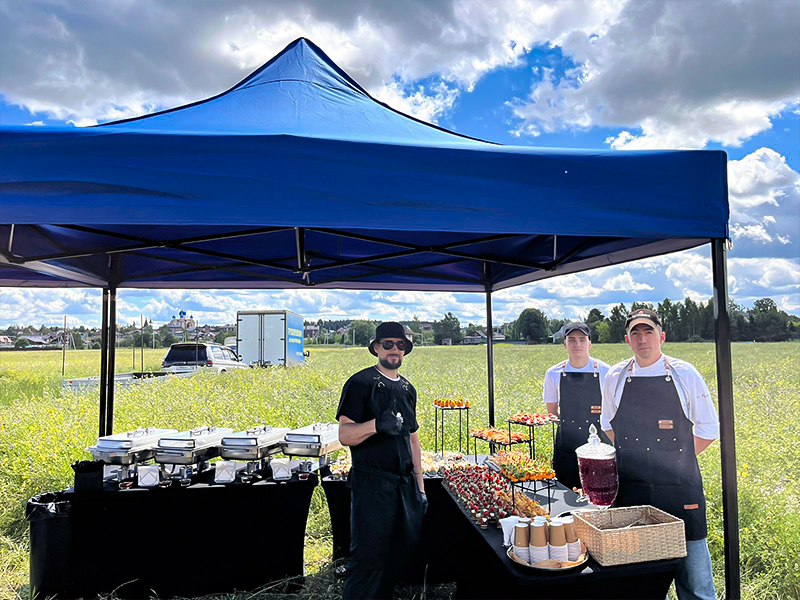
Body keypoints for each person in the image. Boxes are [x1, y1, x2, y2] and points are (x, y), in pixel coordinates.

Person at [601, 308, 719, 600]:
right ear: (627, 339)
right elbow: (608, 426)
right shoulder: (615, 376)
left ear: (661, 336)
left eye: (648, 332)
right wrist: (634, 457)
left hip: (681, 491)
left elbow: (708, 428)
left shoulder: (684, 373)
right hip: (632, 490)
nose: (643, 339)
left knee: (695, 580)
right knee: (641, 578)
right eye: (635, 333)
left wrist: (676, 462)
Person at [336, 322, 426, 600]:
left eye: (400, 345)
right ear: (376, 348)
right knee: (368, 555)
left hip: (404, 484)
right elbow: (344, 435)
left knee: (397, 551)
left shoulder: (408, 389)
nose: (394, 350)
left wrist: (420, 488)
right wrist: (375, 425)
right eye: (388, 344)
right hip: (373, 483)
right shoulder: (360, 383)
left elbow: (413, 440)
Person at [544, 321, 611, 490]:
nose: (577, 344)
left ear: (590, 344)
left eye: (582, 339)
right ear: (565, 344)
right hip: (567, 444)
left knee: (599, 491)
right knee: (564, 490)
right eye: (572, 340)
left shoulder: (606, 371)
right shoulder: (553, 373)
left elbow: (614, 411)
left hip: (599, 445)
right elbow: (552, 412)